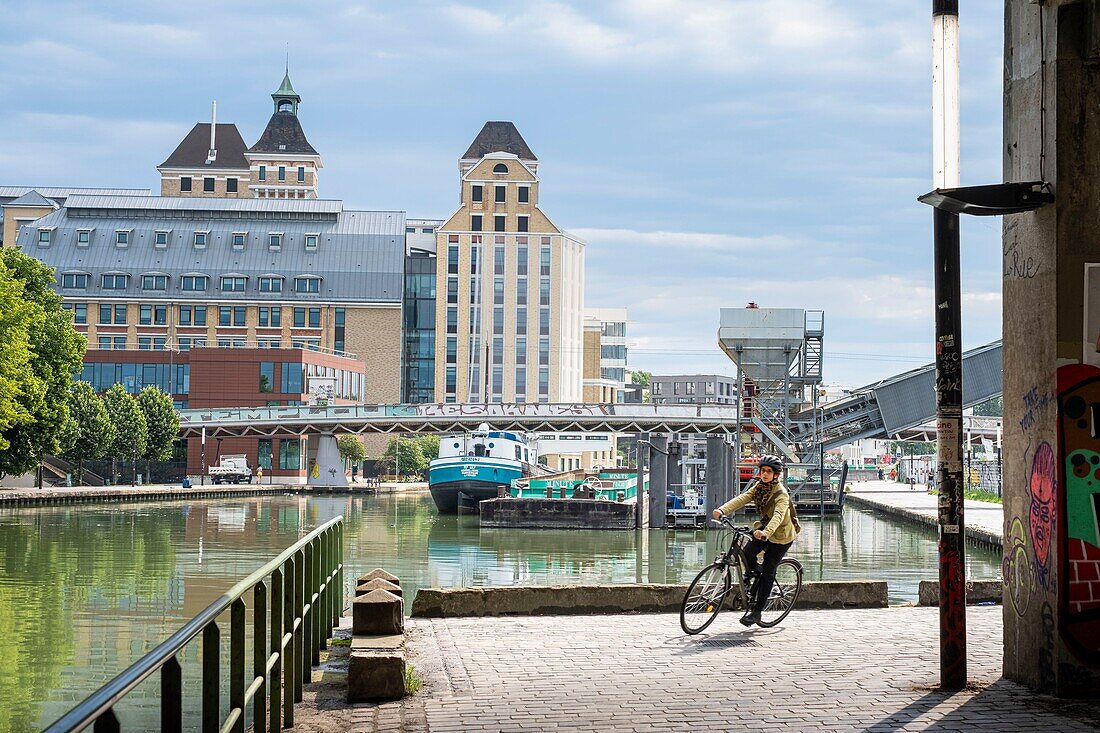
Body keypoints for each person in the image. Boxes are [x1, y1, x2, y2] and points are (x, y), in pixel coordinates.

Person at [711, 454, 801, 627]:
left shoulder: (781, 494)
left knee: (768, 571)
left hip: (781, 536)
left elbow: (779, 516)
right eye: (762, 471)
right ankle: (751, 574)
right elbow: (742, 498)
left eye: (769, 471)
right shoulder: (759, 487)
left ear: (776, 475)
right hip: (764, 530)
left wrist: (766, 532)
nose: (765, 474)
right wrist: (722, 510)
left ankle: (757, 613)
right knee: (747, 553)